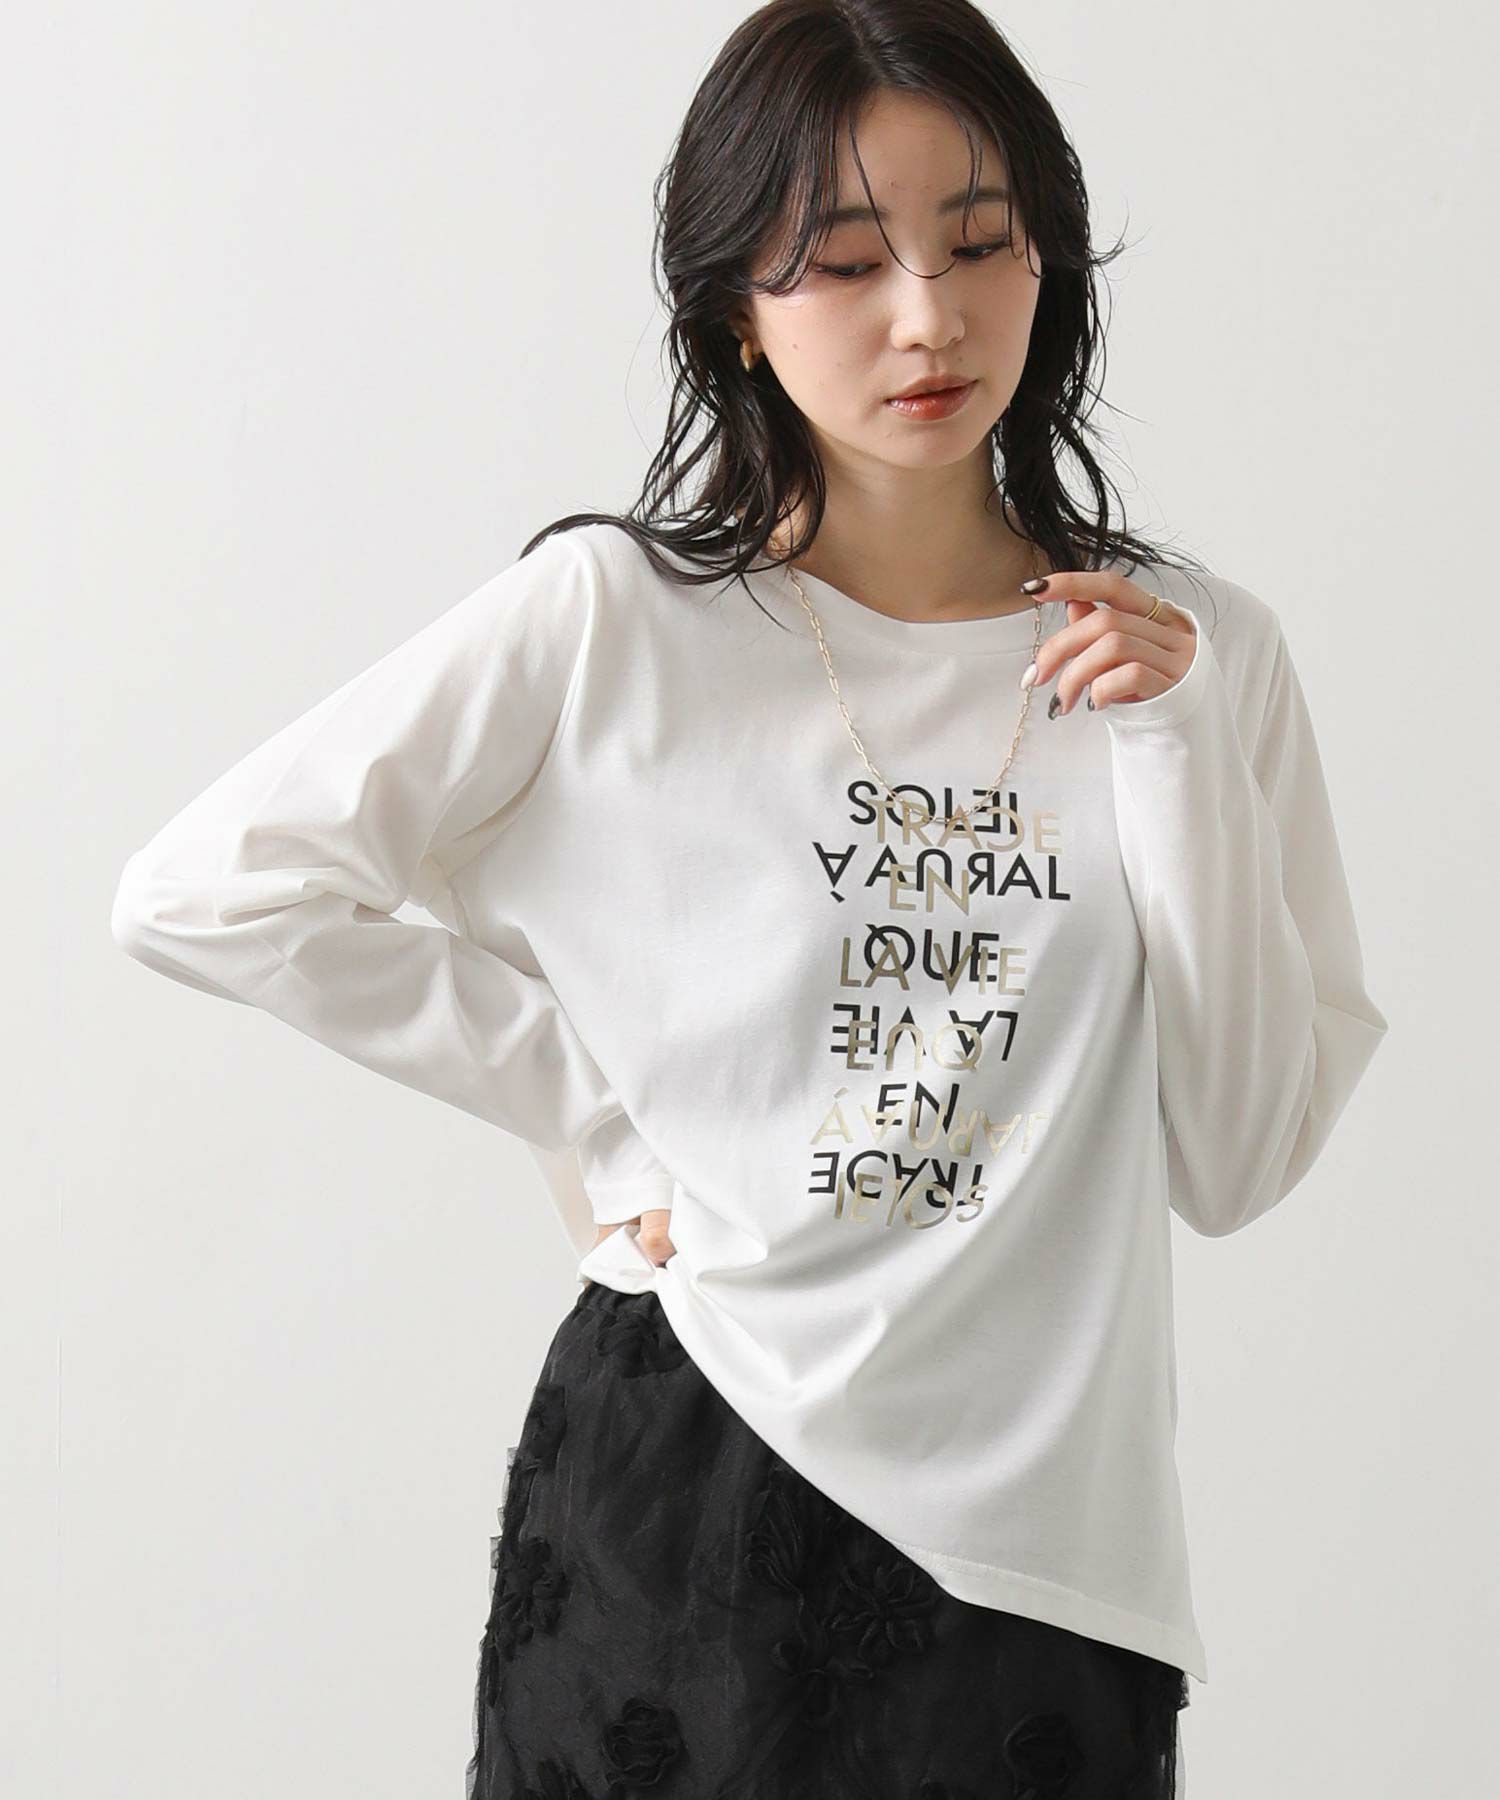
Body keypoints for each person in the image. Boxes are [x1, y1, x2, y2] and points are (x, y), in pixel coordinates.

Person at [109, 3, 1388, 1796]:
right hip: (684, 1491)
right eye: (846, 264)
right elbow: (206, 889)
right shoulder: (616, 623)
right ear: (736, 309)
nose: (929, 318)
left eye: (981, 242)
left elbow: (1238, 1158)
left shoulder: (1196, 654)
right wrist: (589, 1111)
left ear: (1048, 259)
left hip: (1044, 1558)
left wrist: (1169, 743)